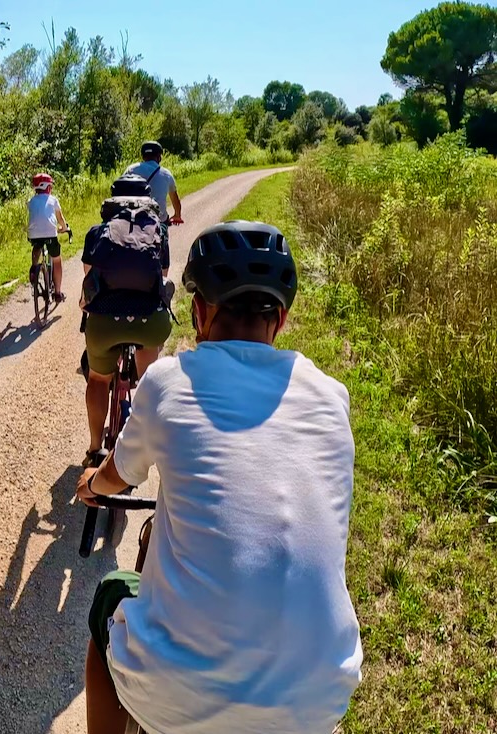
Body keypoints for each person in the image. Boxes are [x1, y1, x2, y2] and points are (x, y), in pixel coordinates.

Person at [76, 220, 363, 734]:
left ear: (199, 312)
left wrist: (92, 486)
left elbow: (121, 473)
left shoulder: (168, 380)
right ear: (282, 319)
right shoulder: (331, 396)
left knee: (109, 596)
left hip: (176, 698)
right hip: (319, 699)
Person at [80, 177, 173, 468]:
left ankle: (96, 449)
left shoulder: (98, 232)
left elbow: (89, 280)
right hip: (149, 321)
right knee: (149, 382)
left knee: (97, 379)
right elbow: (164, 275)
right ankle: (146, 446)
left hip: (105, 323)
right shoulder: (159, 231)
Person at [123, 141, 183, 249]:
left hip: (133, 219)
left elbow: (121, 190)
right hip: (157, 222)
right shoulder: (166, 174)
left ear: (143, 156)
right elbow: (175, 200)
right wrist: (177, 215)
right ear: (159, 157)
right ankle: (164, 265)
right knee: (163, 250)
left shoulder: (131, 169)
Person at [27, 172, 70, 303]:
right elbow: (60, 219)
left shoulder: (31, 201)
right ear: (47, 187)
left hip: (34, 234)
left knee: (37, 245)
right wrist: (65, 227)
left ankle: (34, 267)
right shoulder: (53, 200)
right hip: (51, 233)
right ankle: (57, 292)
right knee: (56, 260)